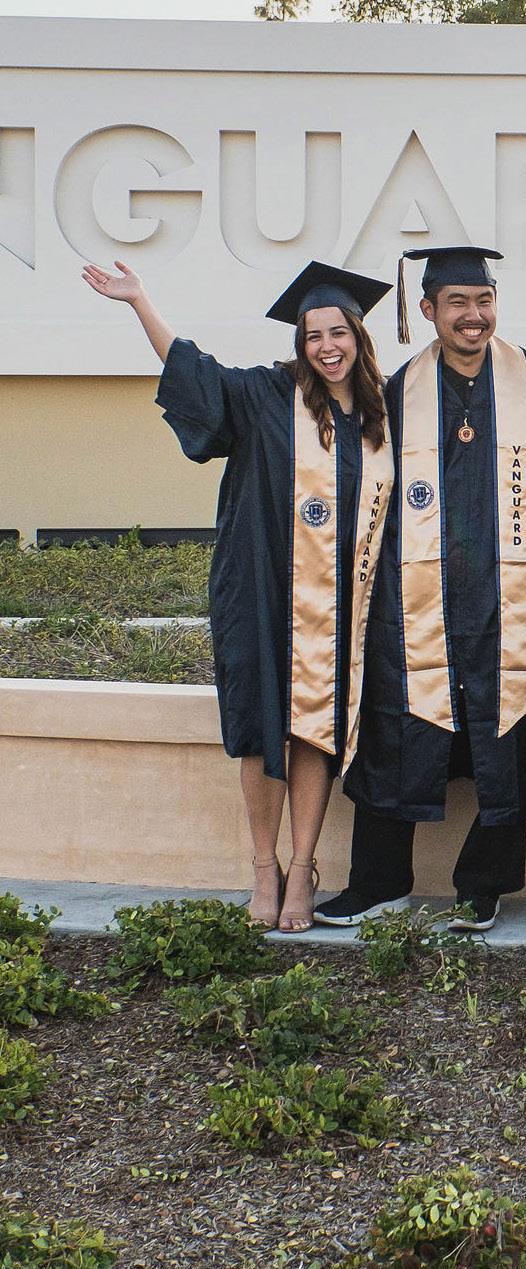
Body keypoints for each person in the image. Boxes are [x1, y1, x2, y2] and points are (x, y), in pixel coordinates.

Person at [81, 256, 394, 933]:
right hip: (259, 587)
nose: (327, 347)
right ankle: (263, 867)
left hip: (340, 604)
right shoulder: (266, 394)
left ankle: (302, 868)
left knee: (315, 730)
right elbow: (195, 374)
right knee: (261, 728)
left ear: (358, 336)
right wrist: (140, 302)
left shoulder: (383, 414)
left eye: (338, 333)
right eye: (313, 335)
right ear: (300, 343)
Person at [314, 245, 526, 933]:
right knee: (395, 729)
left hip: (508, 597)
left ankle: (484, 885)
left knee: (508, 734)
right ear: (427, 310)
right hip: (415, 597)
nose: (473, 315)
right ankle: (378, 882)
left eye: (483, 301)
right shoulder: (394, 393)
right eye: (457, 303)